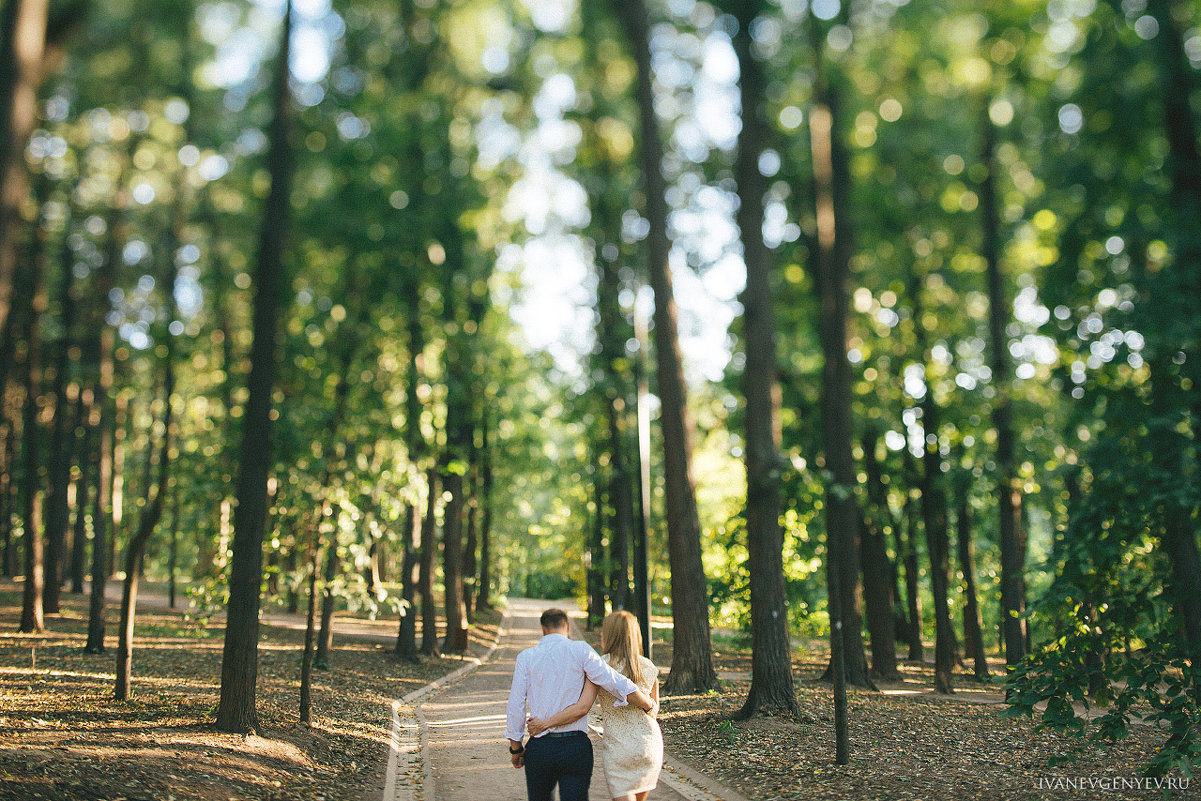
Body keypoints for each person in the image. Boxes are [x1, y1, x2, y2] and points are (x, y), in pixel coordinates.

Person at [506, 607, 657, 801]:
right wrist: (647, 704)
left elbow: (516, 704)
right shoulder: (581, 650)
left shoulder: (525, 658)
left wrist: (516, 748)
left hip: (541, 747)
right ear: (567, 626)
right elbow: (613, 680)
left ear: (543, 629)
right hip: (575, 747)